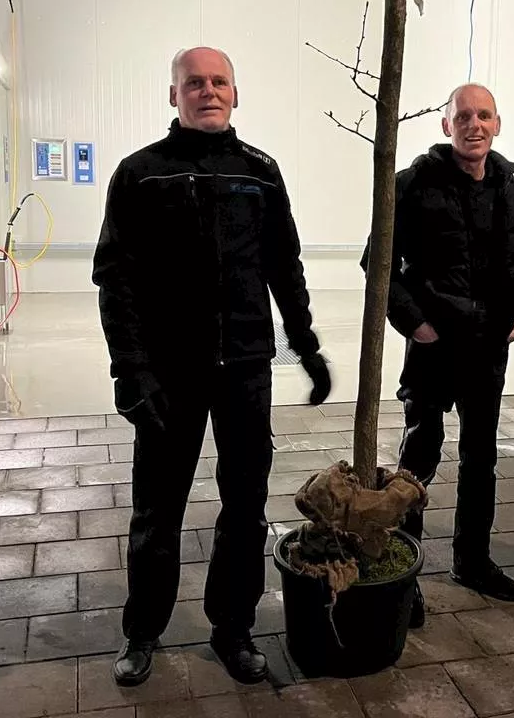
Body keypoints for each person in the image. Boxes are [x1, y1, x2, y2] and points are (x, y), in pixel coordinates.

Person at [92, 46, 332, 687]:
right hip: (169, 374)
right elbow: (115, 282)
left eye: (218, 81)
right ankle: (142, 632)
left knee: (246, 508)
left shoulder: (261, 172)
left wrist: (306, 346)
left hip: (246, 368)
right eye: (192, 82)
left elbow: (286, 266)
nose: (206, 90)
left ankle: (234, 630)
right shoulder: (139, 174)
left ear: (235, 93)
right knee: (156, 511)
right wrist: (131, 373)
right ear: (173, 95)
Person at [364, 83, 514, 628]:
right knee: (421, 456)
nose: (474, 124)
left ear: (498, 123)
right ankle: (403, 571)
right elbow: (379, 262)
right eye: (463, 116)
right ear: (446, 126)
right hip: (434, 347)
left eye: (484, 115)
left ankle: (473, 561)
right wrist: (414, 323)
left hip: (488, 348)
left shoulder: (513, 191)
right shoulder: (412, 184)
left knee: (481, 458)